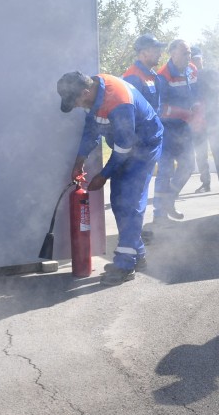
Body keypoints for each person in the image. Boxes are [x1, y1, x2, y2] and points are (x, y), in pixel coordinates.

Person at [58, 71, 164, 285]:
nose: (76, 105)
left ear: (85, 92)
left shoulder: (119, 102)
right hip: (125, 148)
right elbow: (91, 131)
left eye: (75, 101)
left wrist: (103, 176)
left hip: (144, 148)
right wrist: (79, 161)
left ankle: (125, 265)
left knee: (131, 202)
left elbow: (125, 147)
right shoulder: (94, 92)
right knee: (118, 201)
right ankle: (138, 255)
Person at [122, 33, 165, 239]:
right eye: (155, 49)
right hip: (139, 145)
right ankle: (133, 235)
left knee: (140, 191)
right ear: (143, 52)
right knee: (136, 192)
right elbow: (130, 114)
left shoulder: (151, 75)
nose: (159, 53)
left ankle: (135, 233)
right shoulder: (133, 76)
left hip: (149, 142)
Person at [153, 39, 201, 224]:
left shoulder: (191, 69)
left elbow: (196, 94)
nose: (188, 57)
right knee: (165, 170)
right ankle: (159, 215)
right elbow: (161, 108)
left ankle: (169, 201)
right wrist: (186, 113)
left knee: (188, 165)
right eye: (184, 53)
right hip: (166, 129)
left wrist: (197, 108)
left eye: (189, 53)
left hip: (184, 128)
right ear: (172, 53)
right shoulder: (163, 76)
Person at [190, 44, 219, 195]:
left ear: (202, 58)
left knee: (218, 152)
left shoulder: (212, 73)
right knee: (201, 153)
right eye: (192, 59)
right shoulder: (189, 77)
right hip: (197, 121)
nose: (195, 62)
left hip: (213, 119)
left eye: (197, 58)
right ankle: (205, 184)